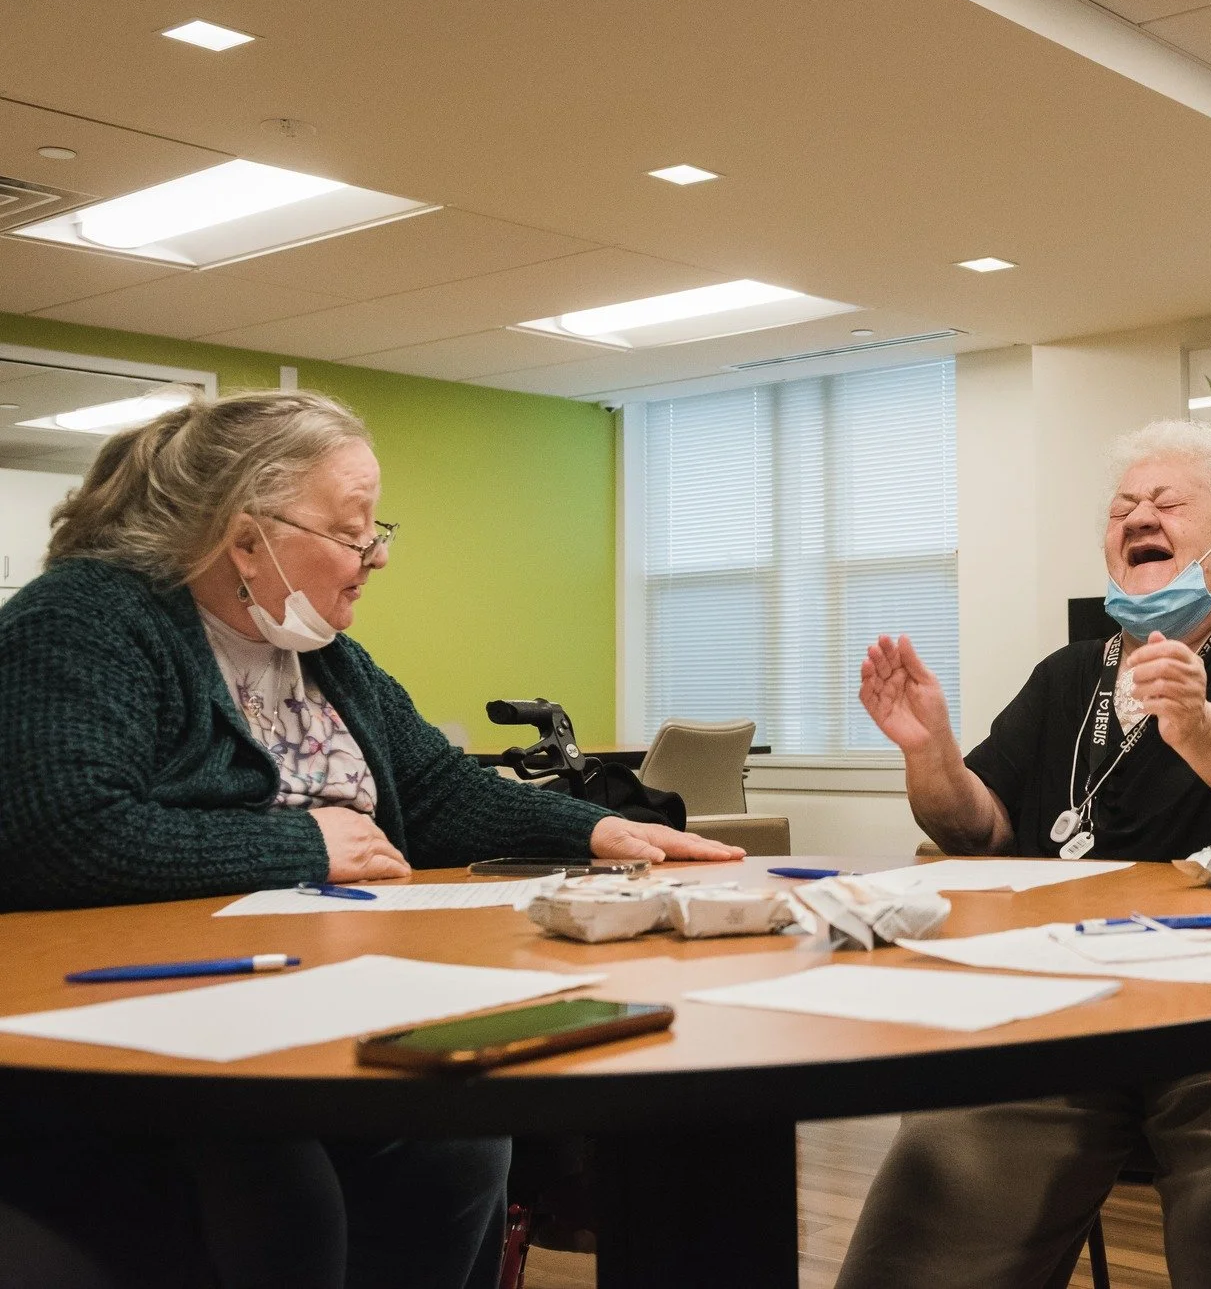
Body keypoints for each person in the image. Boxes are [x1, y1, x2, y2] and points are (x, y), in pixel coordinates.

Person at [0, 389, 744, 1289]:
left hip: (326, 995)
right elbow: (57, 834)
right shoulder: (85, 619)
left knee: (460, 1145)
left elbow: (434, 790)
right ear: (246, 537)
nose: (377, 557)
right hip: (151, 1018)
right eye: (355, 532)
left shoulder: (322, 655)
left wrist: (603, 829)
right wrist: (303, 850)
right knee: (284, 1192)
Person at [836, 419, 1211, 1289]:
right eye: (1122, 506)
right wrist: (932, 757)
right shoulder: (1068, 675)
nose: (1138, 514)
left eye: (1167, 501)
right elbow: (977, 829)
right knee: (934, 1196)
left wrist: (1201, 724)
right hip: (1063, 1015)